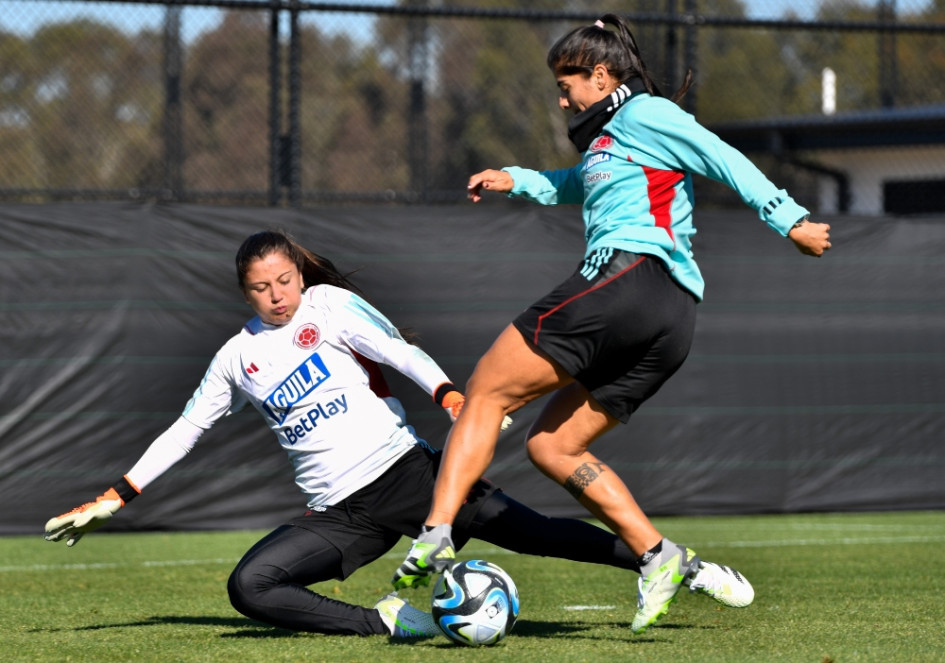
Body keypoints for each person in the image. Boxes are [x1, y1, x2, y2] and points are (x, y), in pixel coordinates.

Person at [44, 229, 747, 638]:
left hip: (412, 475)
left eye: (285, 279)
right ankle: (391, 624)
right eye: (262, 287)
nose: (278, 295)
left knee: (538, 531)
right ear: (245, 292)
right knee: (250, 585)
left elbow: (397, 353)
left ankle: (673, 563)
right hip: (343, 514)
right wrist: (118, 493)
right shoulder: (237, 357)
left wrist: (446, 393)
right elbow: (186, 427)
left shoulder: (329, 304)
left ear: (297, 274)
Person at [393, 13, 830, 635]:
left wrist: (790, 220)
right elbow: (580, 184)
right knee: (552, 445)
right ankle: (660, 558)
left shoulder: (647, 114)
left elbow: (723, 156)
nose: (561, 95)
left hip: (628, 281)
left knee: (486, 391)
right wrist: (513, 179)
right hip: (667, 320)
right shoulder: (610, 139)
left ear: (601, 76)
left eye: (567, 82)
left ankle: (434, 535)